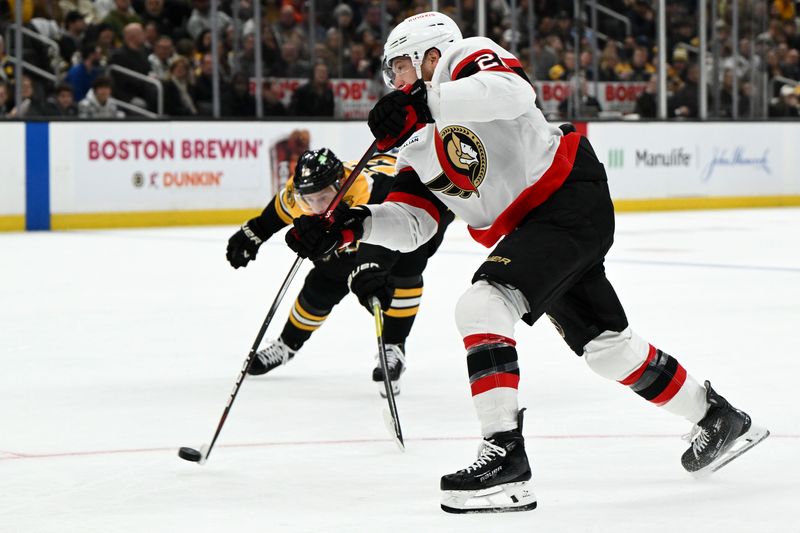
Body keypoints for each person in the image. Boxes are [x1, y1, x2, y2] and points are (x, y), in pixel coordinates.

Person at [284, 11, 770, 514]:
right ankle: (718, 419)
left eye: (399, 69)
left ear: (428, 55)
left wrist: (428, 98)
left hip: (566, 197)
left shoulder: (464, 58)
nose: (393, 83)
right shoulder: (415, 142)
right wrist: (351, 226)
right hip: (537, 227)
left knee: (482, 305)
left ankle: (506, 463)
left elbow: (513, 93)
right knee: (608, 348)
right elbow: (415, 224)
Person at [227, 148, 452, 395]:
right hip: (350, 227)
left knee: (405, 267)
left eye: (322, 198)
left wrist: (368, 266)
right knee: (325, 279)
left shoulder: (373, 189)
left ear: (340, 185)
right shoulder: (301, 191)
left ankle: (393, 346)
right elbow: (282, 206)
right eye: (308, 200)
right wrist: (255, 232)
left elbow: (396, 226)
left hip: (399, 217)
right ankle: (286, 344)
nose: (315, 208)